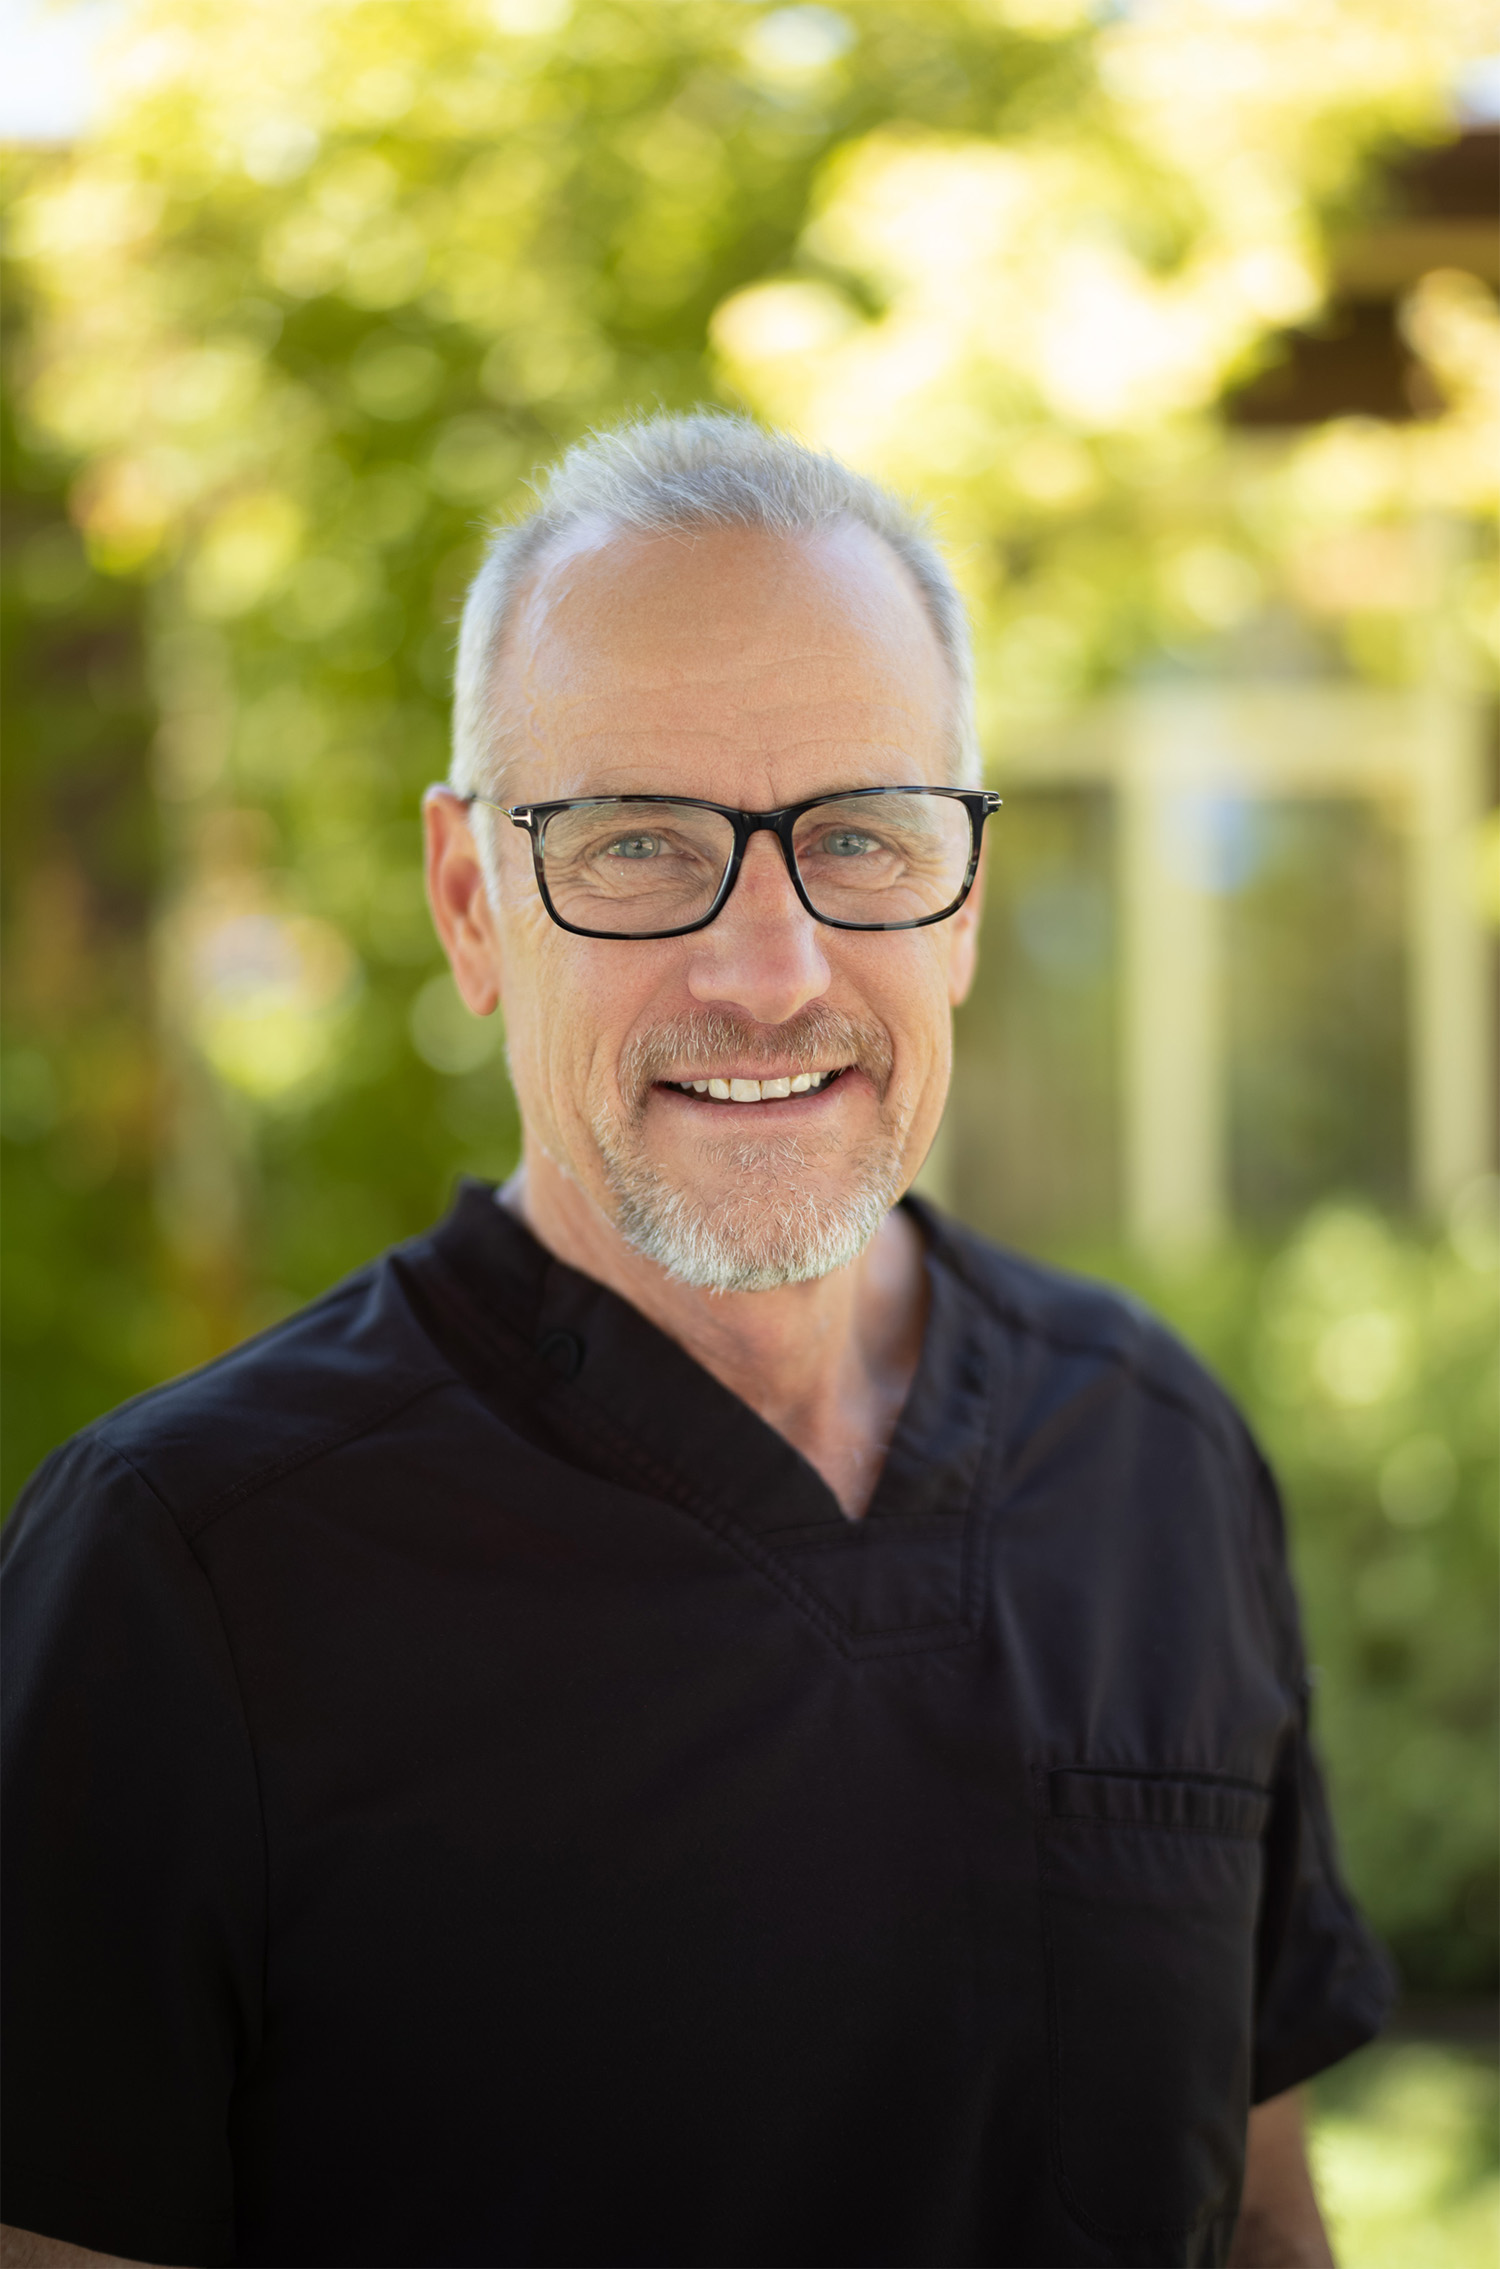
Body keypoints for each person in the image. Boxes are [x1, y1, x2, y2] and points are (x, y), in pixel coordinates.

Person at [1, 413, 1391, 2269]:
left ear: (965, 901)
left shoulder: (1154, 1456)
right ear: (472, 901)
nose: (769, 971)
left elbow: (1264, 2213)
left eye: (861, 838)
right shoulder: (182, 1568)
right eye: (642, 843)